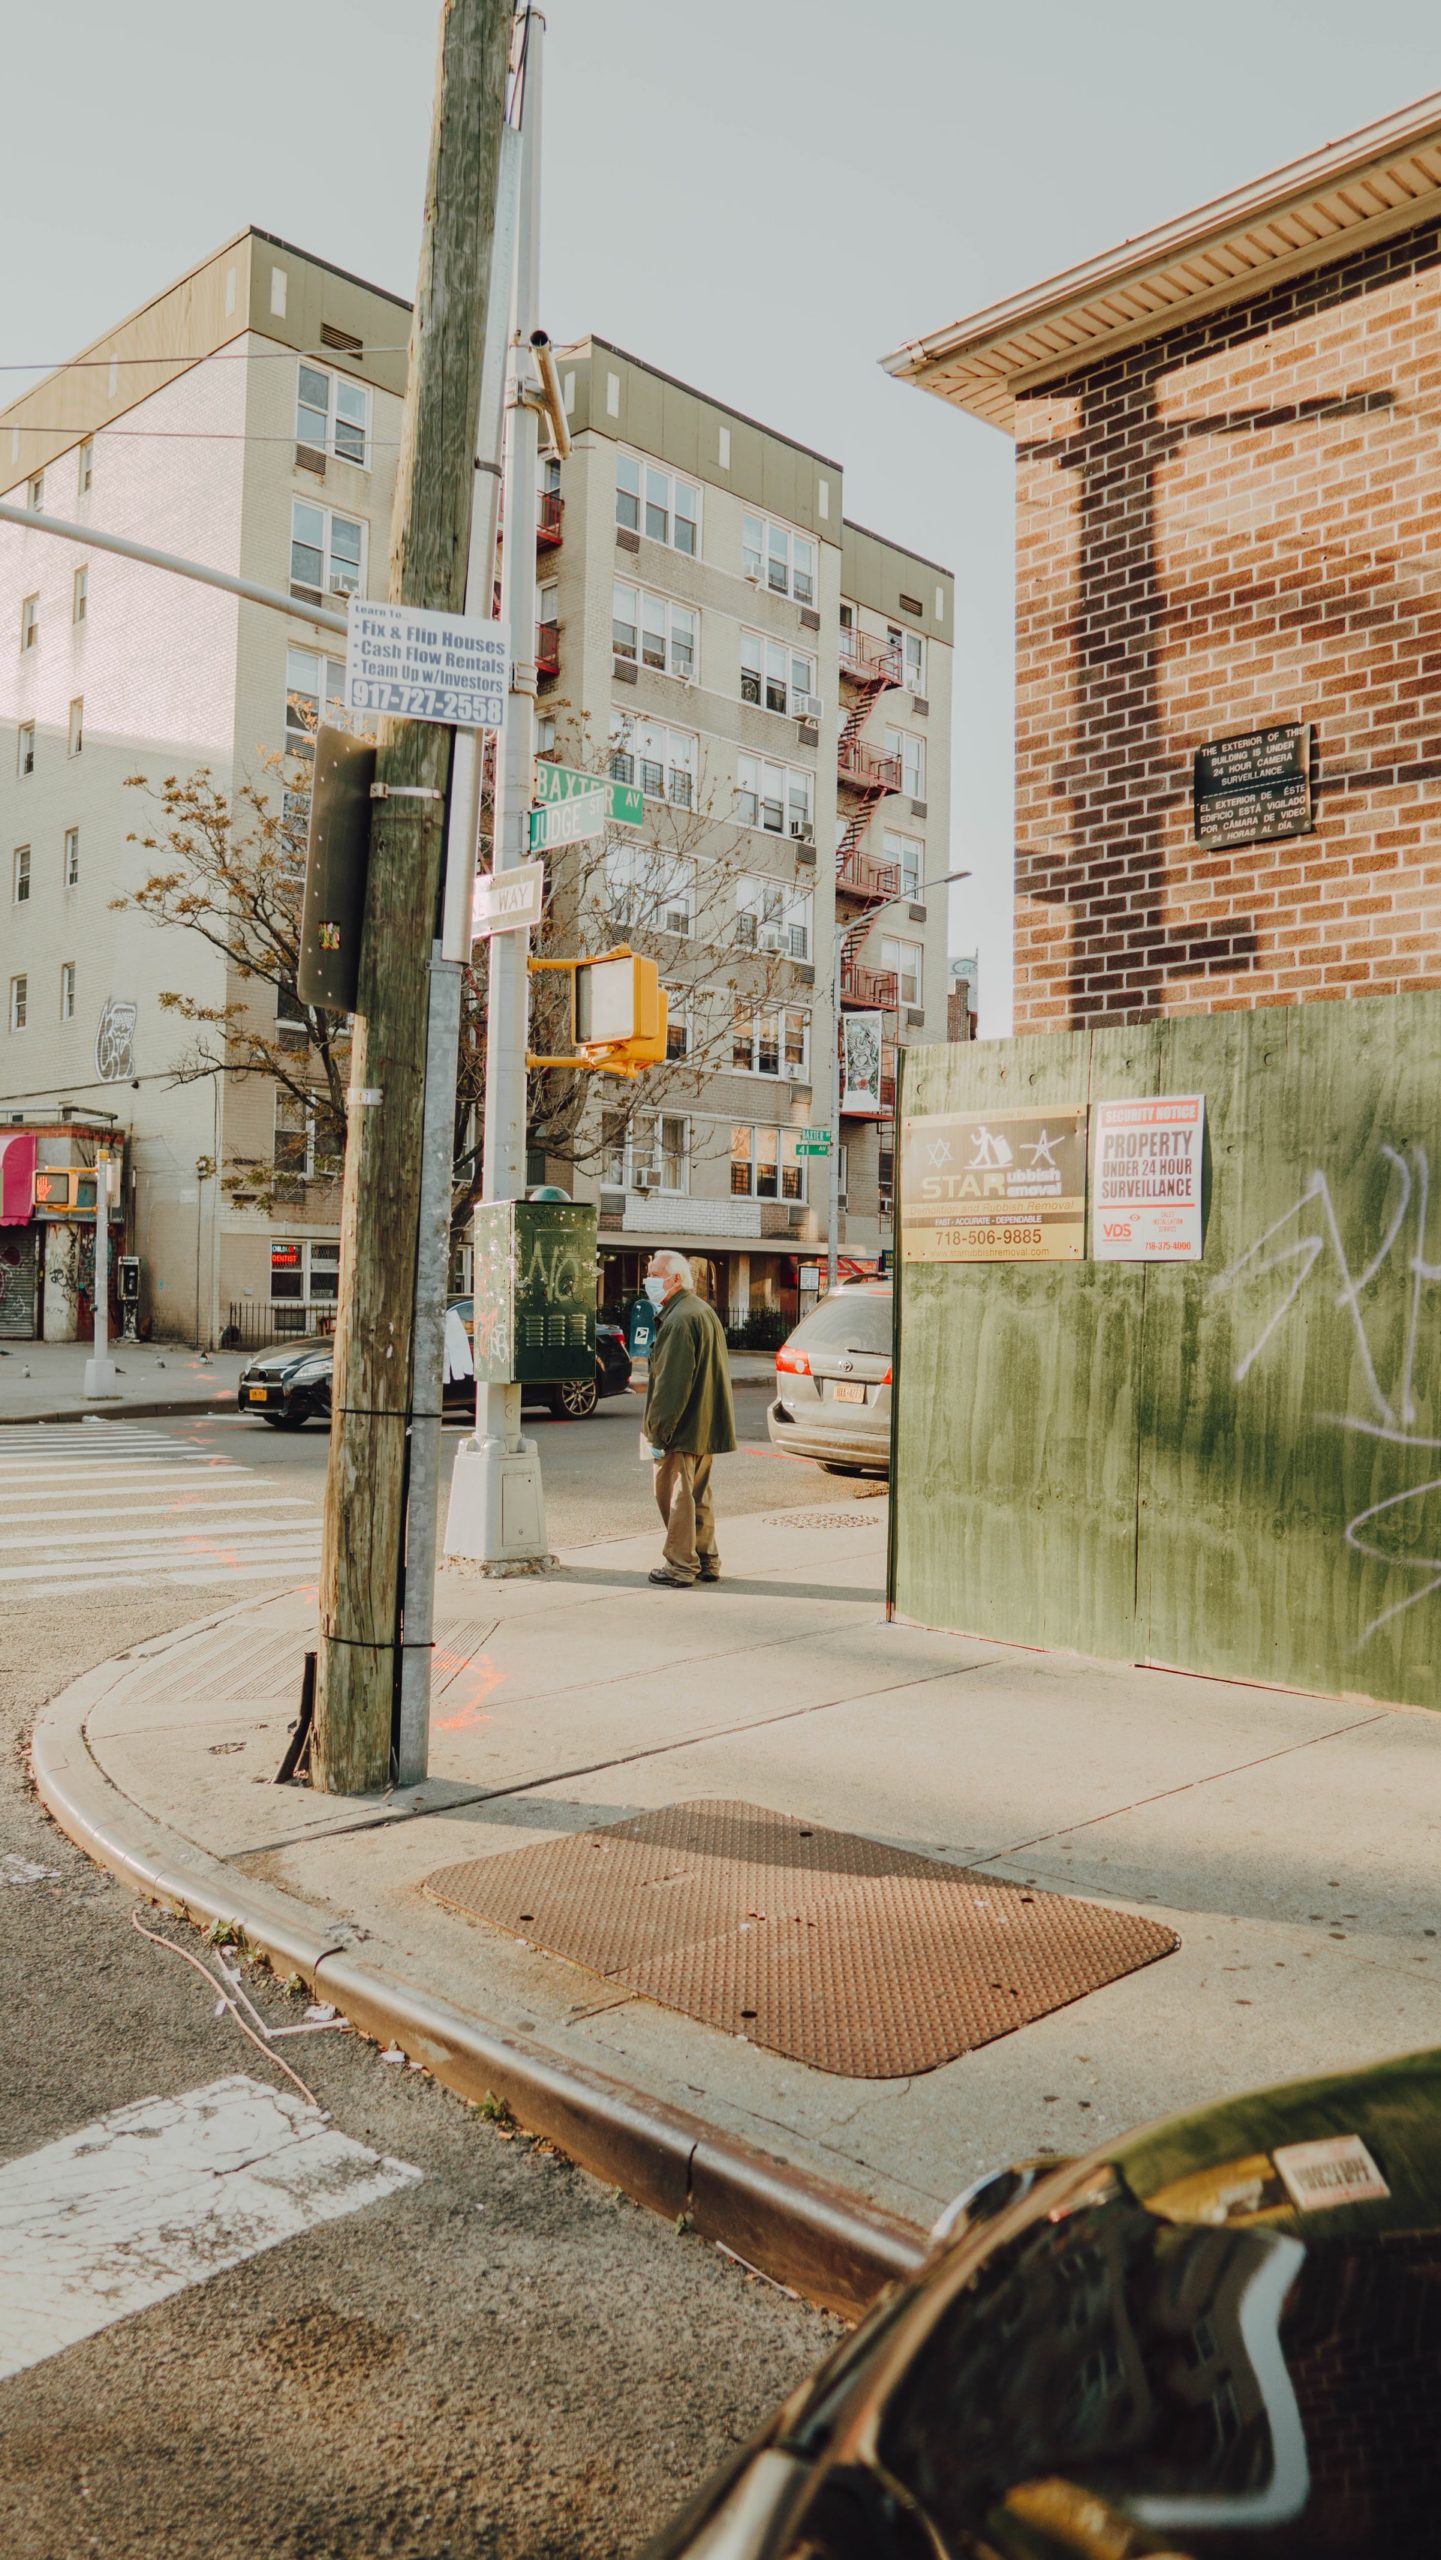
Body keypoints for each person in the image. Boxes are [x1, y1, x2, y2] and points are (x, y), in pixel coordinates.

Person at [641, 1249, 736, 1587]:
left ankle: (680, 1565)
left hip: (681, 1428)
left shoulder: (679, 1319)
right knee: (697, 1496)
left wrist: (658, 1435)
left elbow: (671, 1385)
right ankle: (707, 1560)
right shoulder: (700, 1310)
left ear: (675, 1279)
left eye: (653, 1275)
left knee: (676, 1498)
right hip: (703, 1424)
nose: (647, 1280)